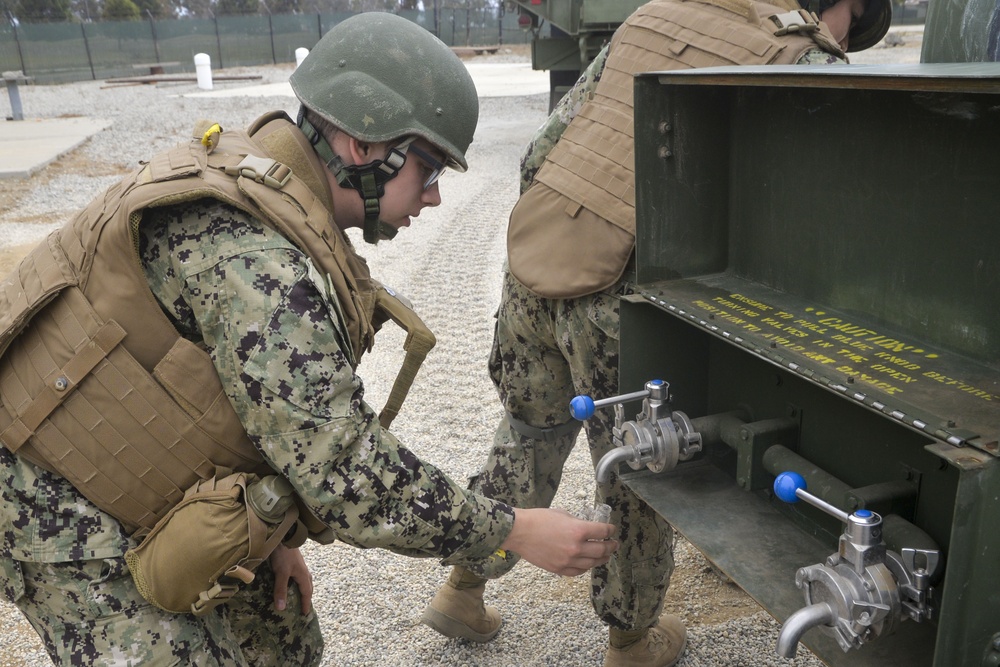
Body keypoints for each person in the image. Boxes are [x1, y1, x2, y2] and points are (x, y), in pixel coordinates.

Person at [0, 12, 619, 666]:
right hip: (50, 499)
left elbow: (255, 399)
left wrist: (269, 533)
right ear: (363, 146)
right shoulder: (255, 260)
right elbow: (346, 468)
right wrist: (512, 530)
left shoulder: (279, 191)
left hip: (134, 452)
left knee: (284, 637)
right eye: (430, 170)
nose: (435, 198)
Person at [420, 0, 891, 665]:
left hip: (542, 253)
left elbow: (545, 150)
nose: (843, 42)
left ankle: (462, 589)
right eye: (853, 27)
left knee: (530, 433)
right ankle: (633, 642)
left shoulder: (663, 13)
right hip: (620, 296)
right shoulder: (806, 57)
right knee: (642, 476)